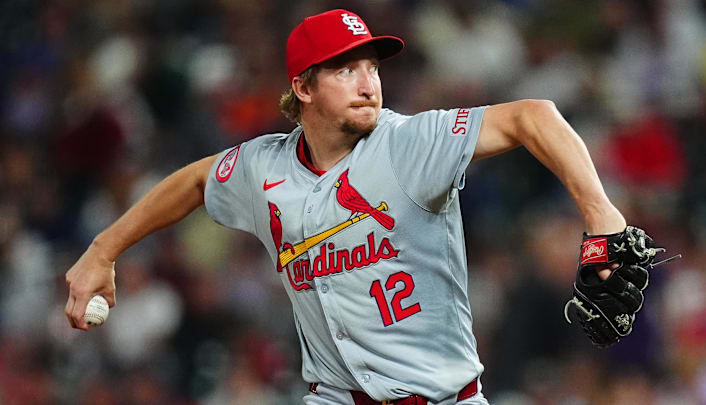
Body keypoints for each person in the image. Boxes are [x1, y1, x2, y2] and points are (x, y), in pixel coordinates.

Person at [65, 9, 627, 405]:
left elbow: (535, 115)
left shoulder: (410, 144)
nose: (369, 83)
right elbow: (193, 181)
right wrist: (102, 249)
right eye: (346, 69)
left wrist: (601, 215)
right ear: (303, 88)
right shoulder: (264, 168)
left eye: (373, 67)